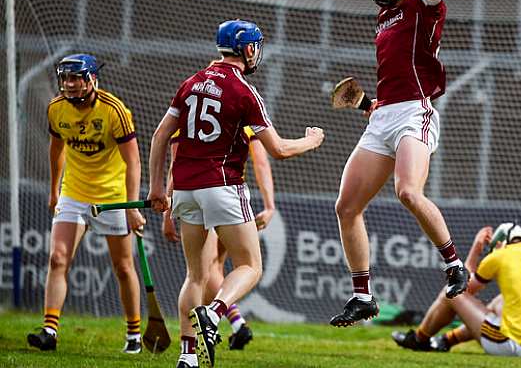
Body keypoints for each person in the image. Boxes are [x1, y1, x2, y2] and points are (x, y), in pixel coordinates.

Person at [148, 19, 324, 368]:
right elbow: (278, 151)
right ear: (247, 49)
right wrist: (312, 140)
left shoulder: (191, 83)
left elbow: (160, 137)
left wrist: (156, 187)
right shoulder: (244, 92)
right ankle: (215, 313)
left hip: (184, 189)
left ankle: (187, 357)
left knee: (195, 275)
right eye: (256, 46)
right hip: (223, 187)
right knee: (250, 266)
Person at [330, 0, 468, 328]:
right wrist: (372, 104)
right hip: (386, 113)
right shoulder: (385, 18)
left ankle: (454, 265)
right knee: (347, 206)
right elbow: (395, 79)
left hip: (416, 112)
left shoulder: (422, 4)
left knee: (408, 191)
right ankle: (363, 296)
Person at [28, 54, 146, 354]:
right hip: (74, 191)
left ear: (92, 79)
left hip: (112, 196)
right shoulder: (56, 108)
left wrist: (131, 206)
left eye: (75, 78)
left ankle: (133, 334)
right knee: (57, 258)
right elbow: (57, 150)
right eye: (65, 78)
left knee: (122, 266)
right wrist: (55, 190)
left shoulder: (114, 110)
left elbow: (132, 160)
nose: (69, 84)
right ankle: (49, 331)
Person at [162, 127, 276, 351]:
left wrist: (168, 209)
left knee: (201, 273)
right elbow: (263, 161)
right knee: (218, 268)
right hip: (232, 200)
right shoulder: (243, 118)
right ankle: (227, 323)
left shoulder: (188, 116)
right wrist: (269, 204)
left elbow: (176, 165)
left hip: (202, 198)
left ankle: (214, 330)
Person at [392, 223, 521, 358]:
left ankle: (419, 339)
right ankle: (446, 341)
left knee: (452, 292)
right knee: (500, 301)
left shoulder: (501, 255)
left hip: (510, 345)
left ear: (501, 241)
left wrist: (476, 249)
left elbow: (462, 288)